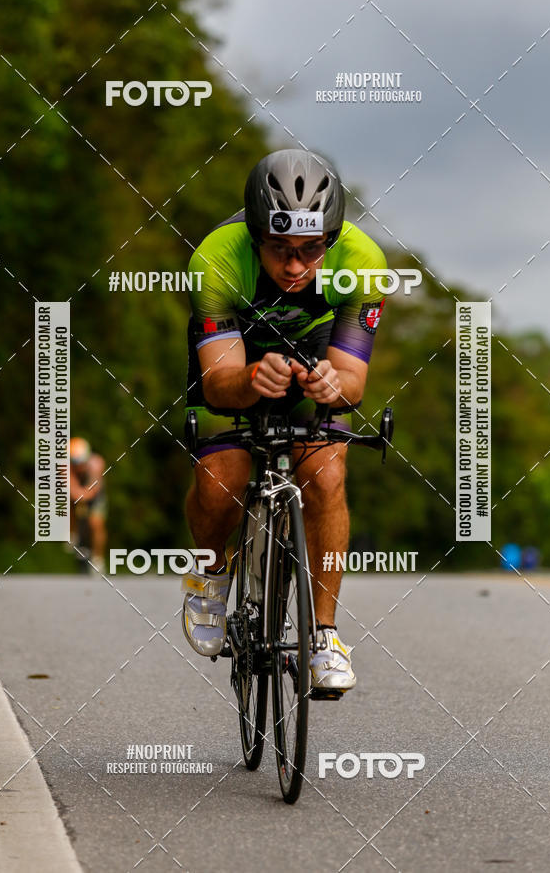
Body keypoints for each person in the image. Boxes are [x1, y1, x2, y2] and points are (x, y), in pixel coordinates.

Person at [182, 148, 387, 693]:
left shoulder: (364, 264)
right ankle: (209, 574)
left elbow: (352, 382)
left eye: (310, 250)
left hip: (315, 346)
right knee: (219, 476)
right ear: (254, 234)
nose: (295, 266)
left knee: (325, 474)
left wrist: (331, 386)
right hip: (237, 351)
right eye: (279, 249)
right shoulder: (216, 258)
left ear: (333, 239)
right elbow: (217, 381)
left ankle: (323, 636)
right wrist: (249, 380)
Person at [69, 437, 107, 575]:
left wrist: (82, 495)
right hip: (76, 494)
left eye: (80, 462)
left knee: (96, 523)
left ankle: (98, 559)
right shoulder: (64, 466)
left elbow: (93, 489)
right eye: (74, 462)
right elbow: (70, 487)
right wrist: (78, 495)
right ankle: (71, 532)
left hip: (95, 495)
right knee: (66, 505)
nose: (78, 466)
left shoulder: (97, 463)